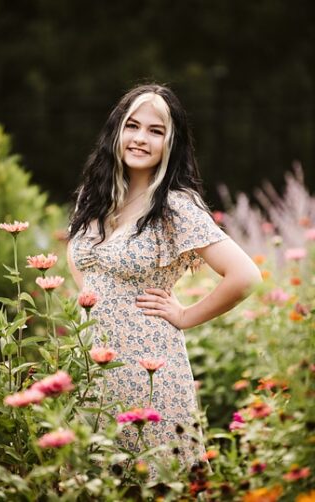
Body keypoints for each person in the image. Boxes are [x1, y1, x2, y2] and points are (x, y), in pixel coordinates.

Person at [66, 84, 261, 470]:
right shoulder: (94, 195)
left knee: (153, 480)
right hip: (92, 368)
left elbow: (245, 275)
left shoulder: (175, 206)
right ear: (116, 131)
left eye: (155, 131)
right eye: (132, 126)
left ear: (172, 143)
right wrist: (95, 303)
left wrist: (186, 316)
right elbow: (81, 261)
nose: (140, 138)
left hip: (149, 372)